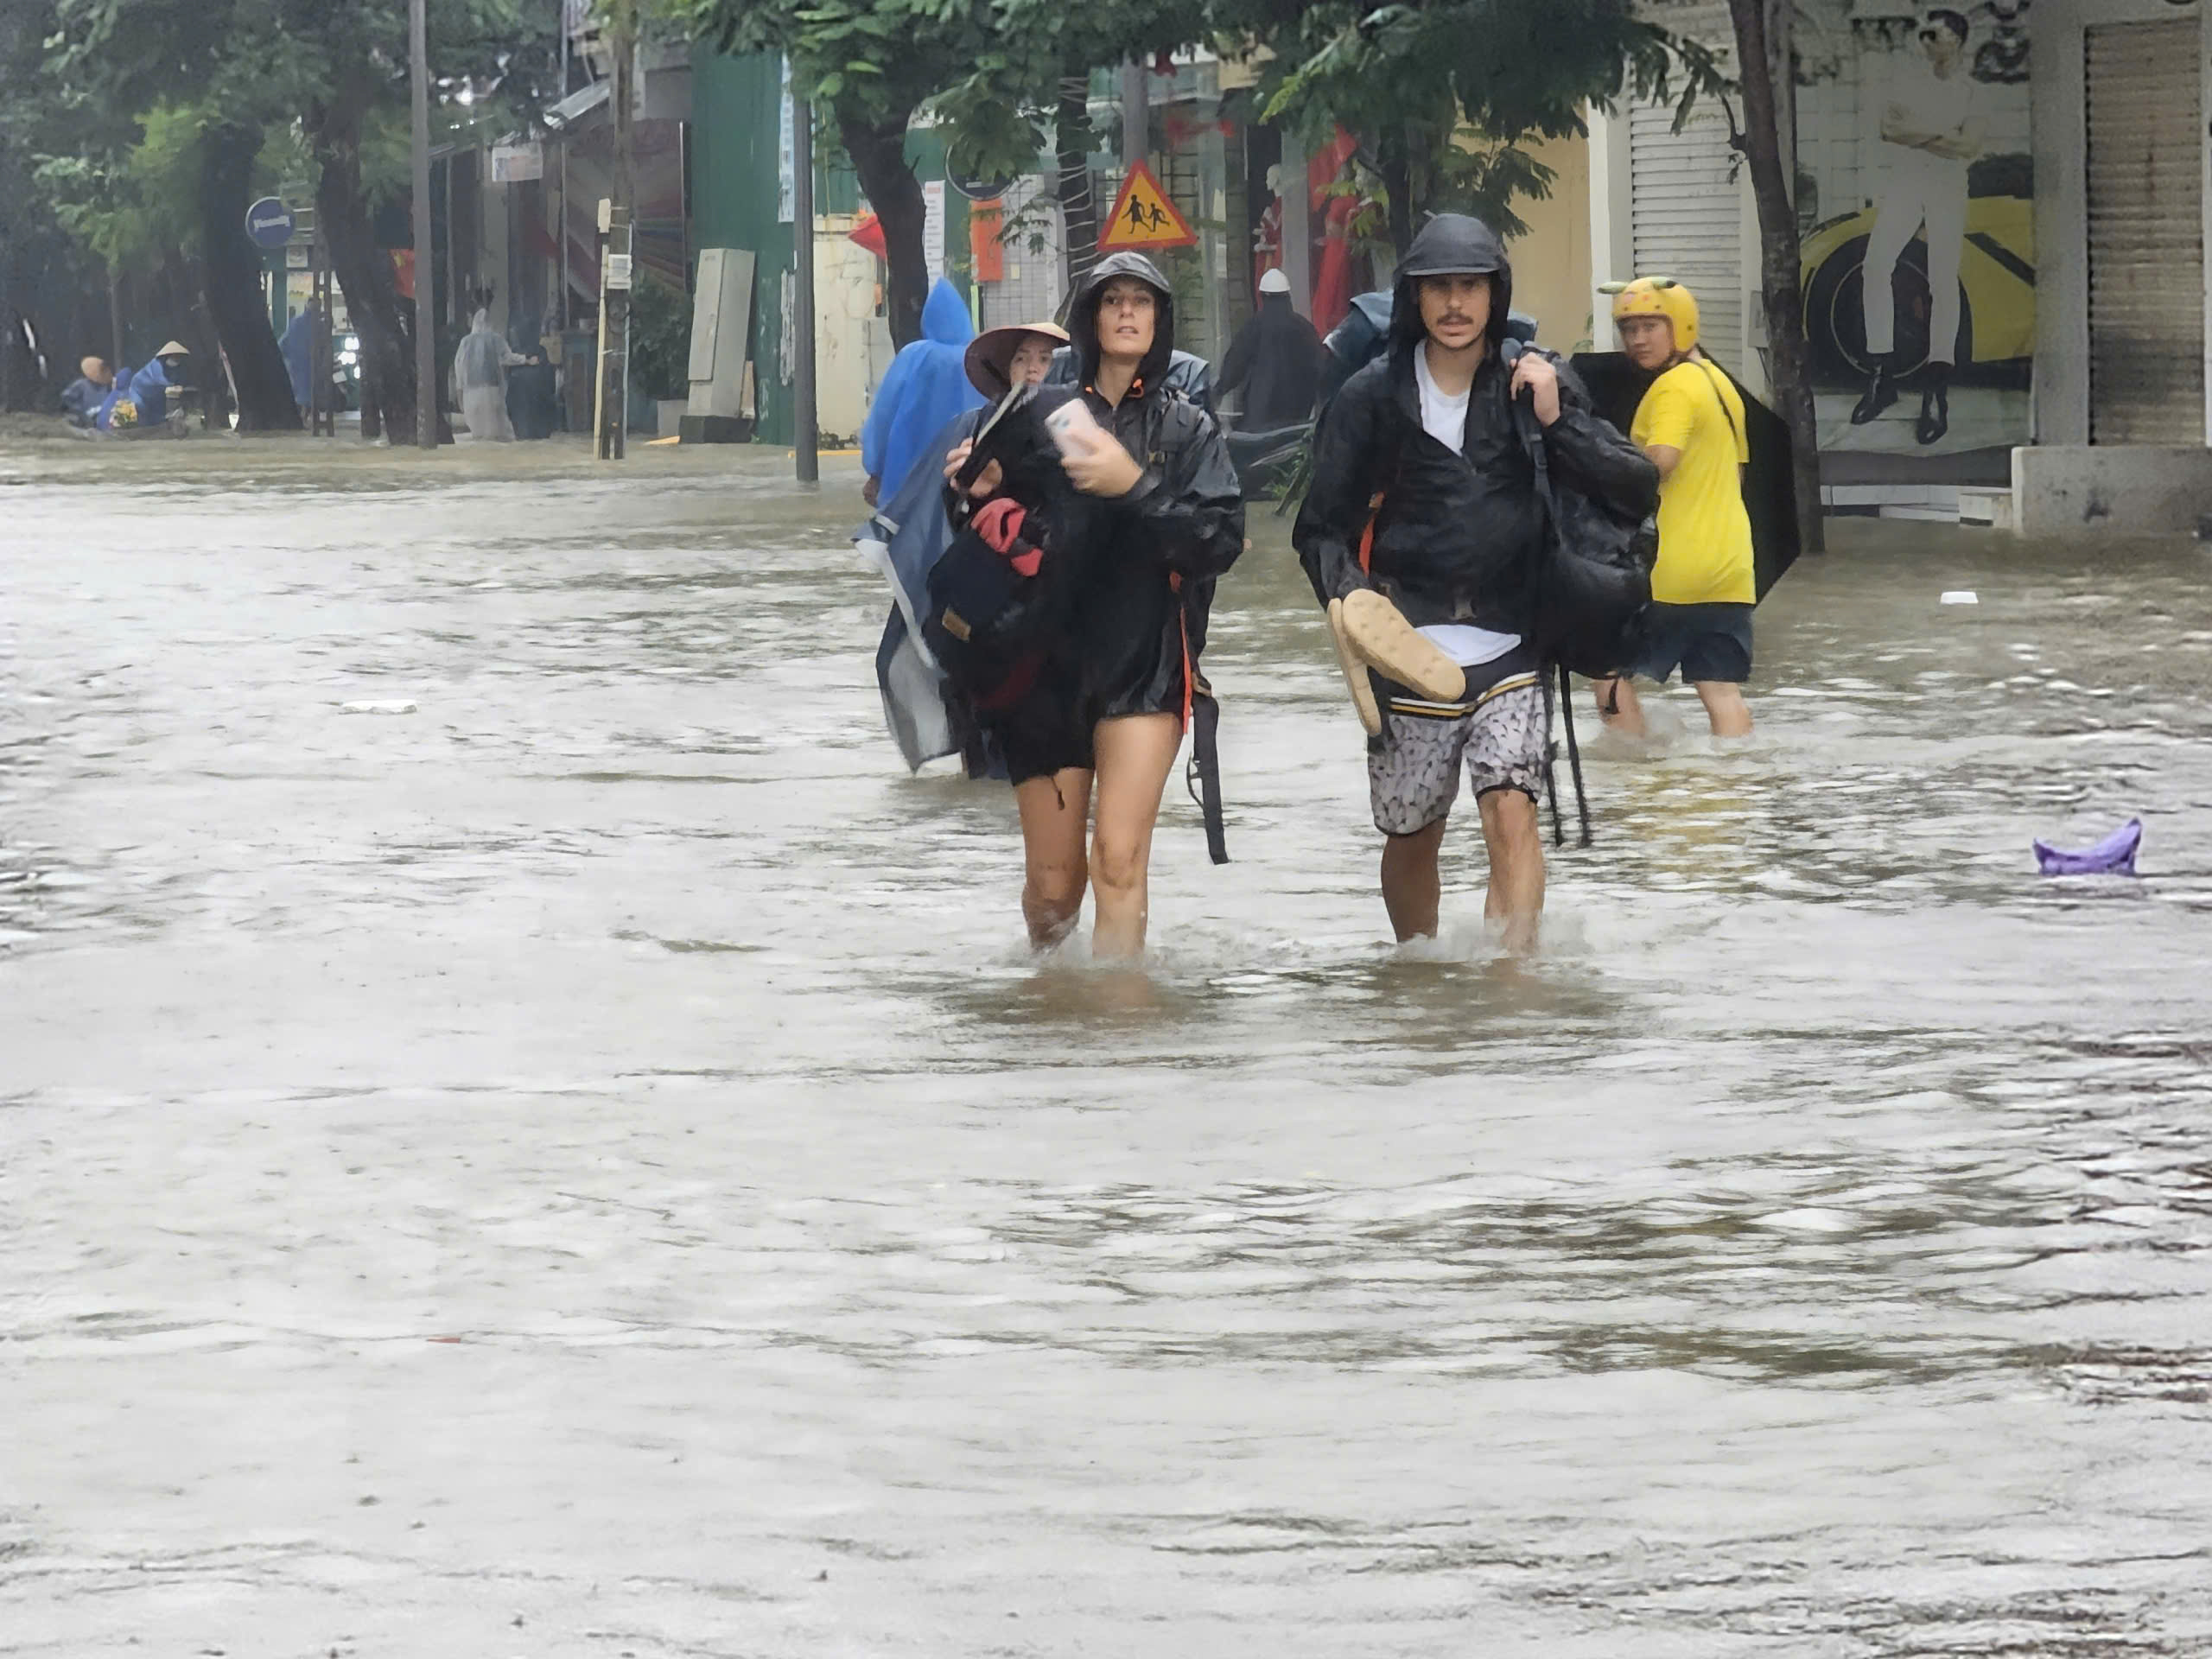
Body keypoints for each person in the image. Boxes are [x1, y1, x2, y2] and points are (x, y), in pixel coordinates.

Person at [1293, 214, 1656, 953]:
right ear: (1414, 298)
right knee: (1413, 832)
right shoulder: (1370, 397)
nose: (1455, 303)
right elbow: (1320, 527)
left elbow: (1637, 484)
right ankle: (1417, 973)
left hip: (1516, 640)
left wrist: (1558, 421)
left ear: (1496, 295)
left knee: (1510, 811)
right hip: (1409, 651)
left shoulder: (1536, 381)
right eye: (1439, 288)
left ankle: (1510, 988)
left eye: (1471, 287)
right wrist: (1353, 604)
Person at [942, 254, 1243, 959]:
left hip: (1146, 667)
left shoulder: (1188, 431)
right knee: (1052, 892)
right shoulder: (1036, 413)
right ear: (1090, 319)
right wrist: (972, 491)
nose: (1129, 312)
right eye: (1114, 302)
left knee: (1117, 859)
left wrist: (1131, 483)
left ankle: (1119, 1030)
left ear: (1162, 321)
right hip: (1040, 672)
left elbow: (1219, 541)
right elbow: (971, 530)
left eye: (1143, 301)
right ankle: (1055, 1017)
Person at [865, 320, 1069, 774]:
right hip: (986, 604)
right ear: (1003, 369)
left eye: (1044, 359)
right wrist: (975, 491)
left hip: (1047, 612)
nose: (1034, 370)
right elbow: (949, 509)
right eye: (1022, 359)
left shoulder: (1079, 431)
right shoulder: (972, 428)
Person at [1592, 279, 1755, 741]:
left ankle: (1632, 772)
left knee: (1605, 665)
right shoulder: (1722, 386)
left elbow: (1659, 461)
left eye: (1650, 326)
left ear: (1681, 325)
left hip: (1670, 568)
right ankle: (1737, 786)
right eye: (1629, 329)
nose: (1638, 339)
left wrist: (1598, 466)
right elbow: (1738, 475)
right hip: (1731, 570)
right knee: (1720, 690)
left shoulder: (1675, 389)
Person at [1851, 7, 1983, 446]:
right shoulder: (1909, 83)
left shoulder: (1971, 90)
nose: (1928, 43)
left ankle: (1935, 390)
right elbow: (1890, 129)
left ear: (1958, 42)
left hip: (1948, 187)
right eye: (1926, 35)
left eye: (1938, 36)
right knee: (1875, 267)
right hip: (1907, 182)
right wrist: (1943, 135)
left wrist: (1920, 133)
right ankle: (1881, 376)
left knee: (1944, 283)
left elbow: (1970, 145)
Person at [861, 278, 983, 508]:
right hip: (967, 483)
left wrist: (875, 471)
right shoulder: (979, 357)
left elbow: (883, 417)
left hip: (907, 485)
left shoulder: (914, 356)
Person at [1217, 267, 1325, 431]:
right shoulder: (1305, 328)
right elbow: (1321, 370)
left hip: (1260, 422)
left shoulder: (1253, 327)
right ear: (1288, 296)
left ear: (1262, 296)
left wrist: (1217, 392)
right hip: (1297, 421)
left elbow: (1234, 366)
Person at [453, 308, 526, 441]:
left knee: (477, 434)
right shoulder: (496, 339)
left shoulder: (465, 342)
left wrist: (459, 393)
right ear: (490, 323)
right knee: (499, 433)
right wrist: (525, 359)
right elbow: (507, 357)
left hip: (470, 393)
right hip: (492, 391)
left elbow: (458, 367)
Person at [61, 357, 114, 427]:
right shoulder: (81, 384)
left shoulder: (104, 388)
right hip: (79, 419)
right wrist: (79, 412)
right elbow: (66, 399)